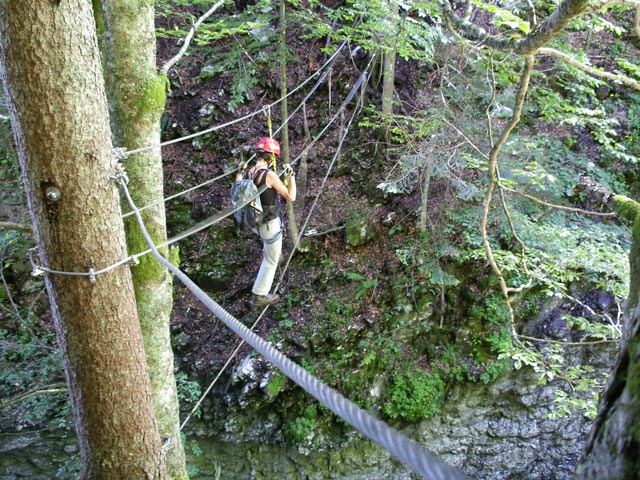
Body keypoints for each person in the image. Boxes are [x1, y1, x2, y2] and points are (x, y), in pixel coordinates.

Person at [236, 136, 296, 307]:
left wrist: (239, 173)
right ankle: (259, 294)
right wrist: (291, 176)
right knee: (270, 260)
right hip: (269, 223)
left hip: (258, 222)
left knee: (270, 247)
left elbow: (239, 188)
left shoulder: (249, 172)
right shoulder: (269, 175)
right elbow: (291, 196)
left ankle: (277, 255)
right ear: (272, 158)